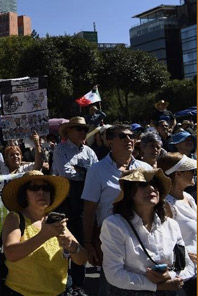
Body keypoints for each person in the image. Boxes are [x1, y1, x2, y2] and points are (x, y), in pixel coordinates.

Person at [81, 124, 151, 294]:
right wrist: (89, 244)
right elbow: (89, 211)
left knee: (144, 286)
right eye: (122, 136)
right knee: (111, 287)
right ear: (109, 141)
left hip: (144, 238)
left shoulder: (146, 169)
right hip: (112, 241)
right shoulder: (97, 170)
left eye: (131, 136)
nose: (129, 139)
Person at [100, 168, 193, 293]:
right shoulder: (114, 225)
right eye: (143, 184)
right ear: (129, 193)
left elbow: (189, 266)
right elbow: (114, 274)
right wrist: (156, 286)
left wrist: (169, 276)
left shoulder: (171, 225)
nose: (151, 188)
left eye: (155, 185)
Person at [0, 171, 87, 296]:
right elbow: (11, 253)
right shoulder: (15, 218)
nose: (41, 192)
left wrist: (72, 246)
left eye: (46, 188)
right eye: (34, 188)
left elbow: (82, 259)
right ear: (24, 194)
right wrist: (44, 235)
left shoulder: (56, 222)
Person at [52, 117, 99, 294]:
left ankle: (78, 283)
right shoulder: (60, 149)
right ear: (69, 131)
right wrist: (85, 173)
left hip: (83, 197)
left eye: (84, 129)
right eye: (78, 129)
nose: (82, 133)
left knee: (79, 239)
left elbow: (93, 173)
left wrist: (81, 171)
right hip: (65, 197)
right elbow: (66, 172)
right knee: (62, 238)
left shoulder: (89, 151)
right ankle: (61, 280)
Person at [158, 153, 197, 295]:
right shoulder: (166, 205)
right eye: (191, 170)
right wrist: (186, 254)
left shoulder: (188, 197)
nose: (195, 173)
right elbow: (163, 242)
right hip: (183, 275)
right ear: (178, 174)